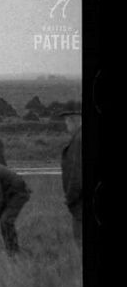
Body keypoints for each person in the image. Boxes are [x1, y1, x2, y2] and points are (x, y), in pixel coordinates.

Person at [59, 104, 82, 248]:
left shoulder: (78, 140)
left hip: (79, 200)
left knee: (79, 241)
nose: (66, 125)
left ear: (74, 121)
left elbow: (76, 174)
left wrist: (70, 197)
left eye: (67, 121)